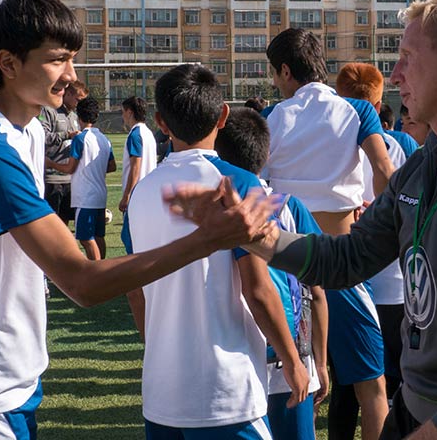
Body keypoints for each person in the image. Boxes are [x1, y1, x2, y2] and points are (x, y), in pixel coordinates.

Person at [167, 0, 437, 440]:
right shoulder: (424, 166)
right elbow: (346, 259)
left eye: (406, 58)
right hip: (416, 410)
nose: (395, 76)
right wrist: (257, 236)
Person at [0, 0, 281, 437]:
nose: (71, 76)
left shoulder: (27, 130)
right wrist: (208, 238)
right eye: (58, 60)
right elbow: (82, 282)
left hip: (7, 368)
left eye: (72, 59)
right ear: (8, 63)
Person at [126, 64, 309, 439]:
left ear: (161, 122)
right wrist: (292, 360)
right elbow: (257, 289)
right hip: (226, 392)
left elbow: (135, 287)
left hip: (162, 390)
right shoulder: (241, 183)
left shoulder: (142, 195)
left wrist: (159, 344)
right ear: (224, 114)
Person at [263, 28, 394, 440]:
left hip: (285, 265)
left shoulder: (272, 116)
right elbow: (385, 173)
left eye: (274, 73)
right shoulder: (358, 110)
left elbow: (257, 190)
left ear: (286, 70)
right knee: (372, 385)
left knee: (282, 383)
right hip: (344, 259)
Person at [215, 106, 330, 440]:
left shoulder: (210, 212)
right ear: (264, 155)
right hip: (288, 357)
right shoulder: (288, 206)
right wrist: (319, 364)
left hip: (232, 358)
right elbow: (317, 290)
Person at [335, 63, 417, 422]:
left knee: (345, 385)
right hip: (393, 285)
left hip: (346, 280)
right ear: (380, 100)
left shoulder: (326, 142)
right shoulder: (403, 146)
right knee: (394, 384)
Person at [46, 97, 116, 261]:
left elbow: (70, 168)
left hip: (85, 196)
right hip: (100, 194)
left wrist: (51, 163)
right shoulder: (104, 139)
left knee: (85, 238)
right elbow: (112, 166)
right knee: (99, 236)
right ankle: (102, 268)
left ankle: (97, 273)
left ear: (79, 116)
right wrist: (95, 168)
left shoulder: (80, 138)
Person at [118, 95, 158, 338]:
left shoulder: (135, 134)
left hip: (137, 199)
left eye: (123, 112)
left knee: (133, 251)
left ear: (130, 111)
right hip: (148, 197)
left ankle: (141, 293)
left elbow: (136, 164)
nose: (122, 116)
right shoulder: (149, 134)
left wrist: (127, 194)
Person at [40, 80, 87, 224]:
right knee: (51, 223)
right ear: (67, 94)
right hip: (52, 179)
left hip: (70, 178)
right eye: (78, 100)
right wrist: (67, 135)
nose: (79, 104)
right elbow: (43, 136)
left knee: (65, 221)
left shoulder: (73, 116)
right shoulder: (49, 111)